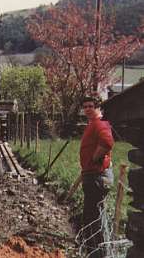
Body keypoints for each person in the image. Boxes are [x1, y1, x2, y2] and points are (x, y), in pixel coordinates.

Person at [79, 95, 114, 258]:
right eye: (85, 106)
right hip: (92, 175)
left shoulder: (100, 124)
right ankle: (98, 252)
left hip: (97, 177)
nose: (87, 109)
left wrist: (95, 158)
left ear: (98, 107)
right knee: (95, 215)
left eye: (91, 106)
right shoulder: (92, 124)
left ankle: (97, 254)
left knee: (93, 218)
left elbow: (107, 142)